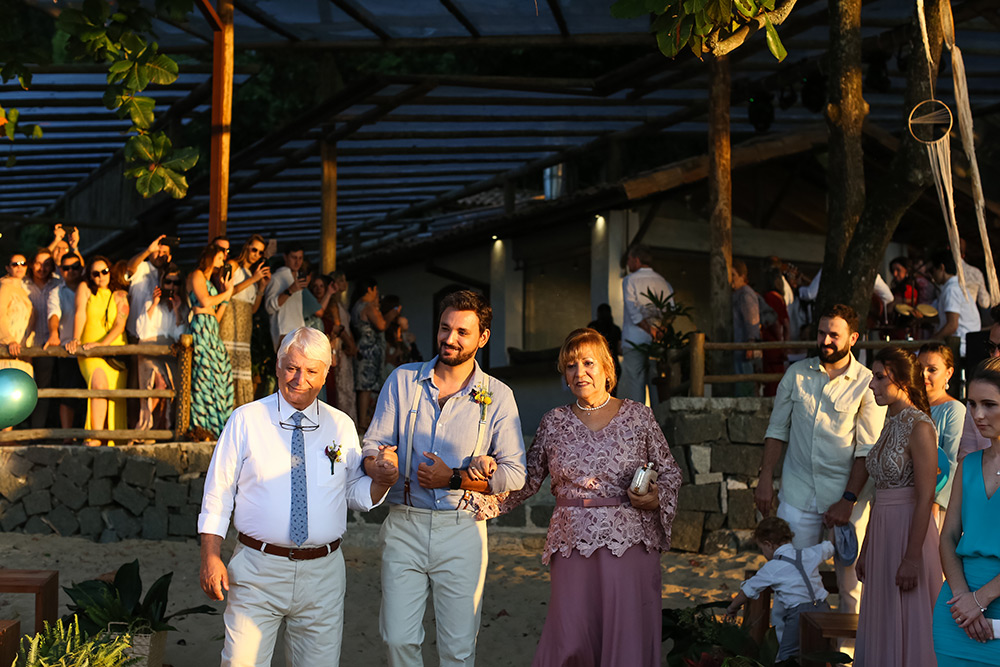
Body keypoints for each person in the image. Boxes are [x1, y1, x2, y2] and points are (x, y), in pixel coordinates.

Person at [198, 326, 399, 667]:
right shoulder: (245, 420)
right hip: (256, 571)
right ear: (278, 366)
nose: (299, 379)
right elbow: (218, 492)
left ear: (325, 374)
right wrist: (210, 555)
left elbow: (353, 493)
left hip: (324, 575)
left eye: (311, 371)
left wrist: (384, 479)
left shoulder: (341, 425)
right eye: (291, 368)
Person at [494, 327, 681, 665]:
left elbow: (670, 472)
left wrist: (655, 499)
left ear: (607, 368)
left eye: (588, 363)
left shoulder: (639, 416)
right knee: (570, 635)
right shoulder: (554, 422)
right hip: (571, 543)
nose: (579, 373)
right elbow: (527, 480)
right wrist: (473, 499)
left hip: (629, 544)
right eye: (570, 366)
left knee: (627, 636)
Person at [362, 289, 526, 667]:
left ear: (483, 338)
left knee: (458, 649)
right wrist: (379, 465)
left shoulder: (498, 396)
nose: (449, 338)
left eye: (462, 332)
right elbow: (373, 445)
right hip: (405, 525)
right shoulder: (403, 380)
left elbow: (515, 473)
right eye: (444, 328)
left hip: (462, 529)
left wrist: (453, 478)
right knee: (398, 639)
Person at [755, 304, 887, 631]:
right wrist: (765, 478)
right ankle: (790, 655)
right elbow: (776, 430)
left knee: (851, 586)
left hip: (848, 500)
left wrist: (848, 499)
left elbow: (866, 451)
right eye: (821, 332)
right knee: (788, 578)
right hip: (797, 492)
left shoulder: (867, 383)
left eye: (834, 335)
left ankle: (847, 658)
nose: (825, 340)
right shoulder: (796, 374)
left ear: (853, 338)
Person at [854, 347, 941, 666]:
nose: (872, 385)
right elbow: (879, 491)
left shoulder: (919, 426)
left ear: (902, 380)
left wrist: (912, 558)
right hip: (881, 533)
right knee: (884, 616)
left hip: (909, 535)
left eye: (879, 377)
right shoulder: (890, 421)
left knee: (909, 619)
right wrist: (866, 547)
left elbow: (925, 495)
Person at [933, 357, 1000, 665]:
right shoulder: (968, 464)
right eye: (972, 404)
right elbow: (947, 536)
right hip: (956, 612)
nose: (977, 415)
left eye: (989, 404)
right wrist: (963, 598)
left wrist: (980, 600)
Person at [726, 517, 833, 662]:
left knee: (786, 657)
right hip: (823, 608)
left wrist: (733, 607)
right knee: (824, 654)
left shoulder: (772, 567)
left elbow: (748, 590)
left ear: (768, 544)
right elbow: (829, 547)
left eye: (762, 549)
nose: (763, 554)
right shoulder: (808, 554)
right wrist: (833, 527)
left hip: (798, 613)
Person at [66, 256, 128, 446]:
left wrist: (102, 345)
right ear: (90, 276)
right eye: (96, 273)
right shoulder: (85, 289)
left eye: (104, 271)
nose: (101, 276)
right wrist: (75, 338)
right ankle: (96, 435)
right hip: (89, 350)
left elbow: (120, 325)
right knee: (99, 384)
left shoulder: (120, 295)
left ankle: (113, 438)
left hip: (114, 350)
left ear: (110, 271)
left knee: (114, 392)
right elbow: (80, 313)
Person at [187, 243, 235, 438]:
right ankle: (201, 425)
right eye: (220, 255)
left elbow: (214, 314)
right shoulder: (196, 274)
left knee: (220, 376)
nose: (223, 258)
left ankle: (216, 426)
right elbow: (205, 301)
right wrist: (226, 294)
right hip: (200, 328)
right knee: (203, 376)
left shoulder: (210, 280)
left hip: (212, 329)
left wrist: (225, 295)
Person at [135, 265, 187, 435]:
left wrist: (178, 311)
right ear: (162, 283)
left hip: (169, 352)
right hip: (149, 350)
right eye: (168, 282)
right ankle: (146, 426)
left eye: (176, 283)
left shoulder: (182, 307)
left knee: (170, 388)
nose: (171, 287)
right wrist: (154, 304)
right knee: (157, 383)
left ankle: (160, 427)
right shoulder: (151, 303)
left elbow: (179, 335)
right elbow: (141, 331)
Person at [220, 235, 270, 408]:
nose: (256, 254)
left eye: (260, 252)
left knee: (241, 370)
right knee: (227, 367)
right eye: (254, 249)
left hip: (244, 326)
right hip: (229, 319)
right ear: (246, 247)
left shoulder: (251, 274)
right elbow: (226, 292)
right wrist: (253, 280)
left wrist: (261, 287)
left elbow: (253, 309)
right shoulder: (234, 266)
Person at [919, 342, 966, 525]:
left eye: (932, 369)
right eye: (920, 368)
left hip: (937, 506)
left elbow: (951, 461)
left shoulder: (954, 409)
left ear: (948, 373)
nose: (924, 375)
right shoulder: (908, 406)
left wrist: (936, 502)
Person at [620, 244, 673, 406]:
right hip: (657, 342)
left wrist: (649, 329)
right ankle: (658, 423)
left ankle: (637, 426)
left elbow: (633, 310)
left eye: (629, 259)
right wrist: (659, 331)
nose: (628, 264)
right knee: (656, 382)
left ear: (636, 260)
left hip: (634, 340)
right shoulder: (663, 282)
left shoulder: (630, 280)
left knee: (634, 385)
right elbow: (671, 311)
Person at [351, 277, 398, 431]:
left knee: (365, 385)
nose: (377, 294)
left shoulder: (356, 305)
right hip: (369, 349)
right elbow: (381, 324)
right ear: (370, 289)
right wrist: (393, 313)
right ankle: (363, 421)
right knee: (366, 386)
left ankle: (364, 419)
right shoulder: (367, 306)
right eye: (376, 290)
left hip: (363, 347)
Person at [46, 253, 85, 434]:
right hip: (68, 347)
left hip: (93, 346)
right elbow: (54, 314)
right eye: (66, 268)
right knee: (67, 394)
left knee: (91, 393)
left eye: (75, 267)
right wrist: (54, 333)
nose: (71, 271)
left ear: (81, 268)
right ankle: (68, 435)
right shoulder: (57, 292)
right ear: (60, 270)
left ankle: (92, 433)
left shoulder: (90, 287)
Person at [960, 309, 1000, 461]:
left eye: (990, 405)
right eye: (991, 347)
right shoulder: (979, 397)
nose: (995, 355)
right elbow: (966, 460)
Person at [26, 248, 59, 428]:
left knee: (43, 390)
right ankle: (12, 428)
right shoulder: (22, 284)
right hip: (25, 345)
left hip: (47, 345)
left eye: (47, 264)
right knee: (20, 386)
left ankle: (36, 431)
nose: (42, 268)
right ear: (32, 264)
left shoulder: (56, 284)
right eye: (38, 263)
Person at [929, 250, 982, 357]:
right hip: (966, 342)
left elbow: (952, 325)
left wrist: (932, 341)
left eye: (933, 270)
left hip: (961, 345)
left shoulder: (951, 289)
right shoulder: (955, 286)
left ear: (941, 268)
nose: (932, 275)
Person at [323, 271, 357, 423]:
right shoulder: (333, 304)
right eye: (341, 280)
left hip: (344, 344)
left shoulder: (341, 303)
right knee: (342, 386)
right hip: (339, 345)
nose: (345, 284)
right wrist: (350, 344)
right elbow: (338, 327)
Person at [125, 234, 174, 342]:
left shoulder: (170, 276)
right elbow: (130, 267)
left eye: (164, 253)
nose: (160, 255)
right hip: (136, 333)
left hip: (159, 334)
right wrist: (148, 250)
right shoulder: (142, 267)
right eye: (157, 251)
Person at [263, 245, 308, 350]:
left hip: (298, 332)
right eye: (294, 257)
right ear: (285, 257)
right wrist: (290, 290)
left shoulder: (297, 278)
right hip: (283, 332)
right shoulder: (276, 278)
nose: (297, 262)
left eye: (300, 258)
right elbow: (269, 308)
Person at [0, 254, 35, 380]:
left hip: (22, 352)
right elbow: (0, 315)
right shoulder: (4, 287)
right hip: (7, 350)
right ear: (8, 268)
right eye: (15, 264)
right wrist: (8, 340)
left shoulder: (23, 290)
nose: (19, 267)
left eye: (23, 264)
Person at [730, 258, 762, 396]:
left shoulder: (745, 293)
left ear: (742, 277)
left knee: (745, 380)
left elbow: (751, 319)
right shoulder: (738, 294)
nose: (731, 280)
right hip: (738, 344)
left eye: (733, 275)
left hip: (743, 345)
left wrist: (751, 343)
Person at [761, 265, 791, 397]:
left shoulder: (769, 297)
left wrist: (780, 342)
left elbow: (776, 323)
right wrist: (785, 344)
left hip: (771, 342)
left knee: (771, 379)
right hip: (779, 344)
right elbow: (786, 324)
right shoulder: (780, 299)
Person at [587, 302, 622, 392]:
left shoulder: (592, 327)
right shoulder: (615, 329)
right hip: (614, 364)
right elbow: (619, 349)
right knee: (612, 393)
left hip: (596, 363)